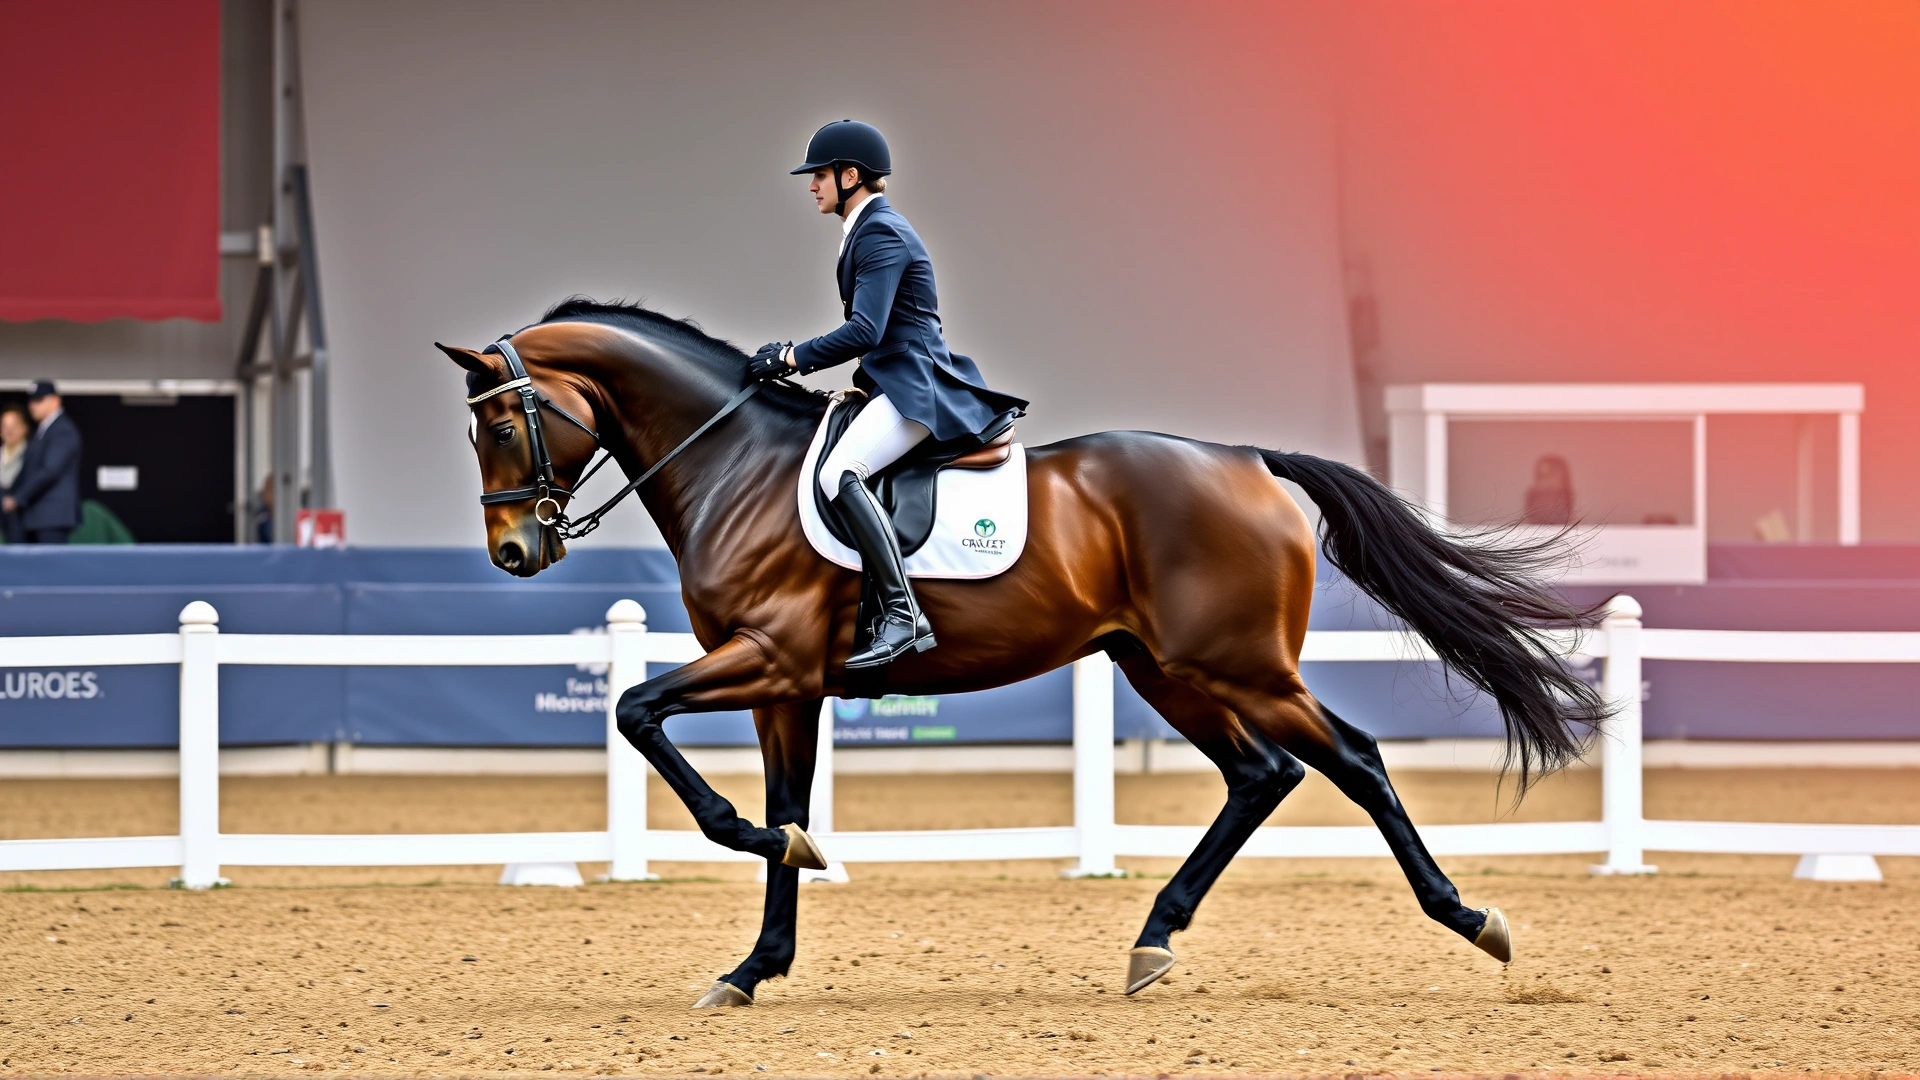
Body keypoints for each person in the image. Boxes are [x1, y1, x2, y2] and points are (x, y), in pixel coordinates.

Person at [746, 120, 1028, 670]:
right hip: (894, 380)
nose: (812, 185)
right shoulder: (865, 229)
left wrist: (791, 357)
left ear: (850, 176)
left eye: (820, 175)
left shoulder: (880, 233)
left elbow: (866, 330)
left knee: (839, 473)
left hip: (916, 387)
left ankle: (903, 614)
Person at [5, 381, 83, 544]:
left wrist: (18, 498)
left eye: (39, 400)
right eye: (31, 401)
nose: (33, 406)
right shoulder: (42, 430)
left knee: (50, 560)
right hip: (36, 516)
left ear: (55, 401)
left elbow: (49, 471)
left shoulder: (62, 430)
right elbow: (28, 469)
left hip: (52, 516)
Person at [0, 406, 29, 542]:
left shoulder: (32, 454)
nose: (9, 430)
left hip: (21, 517)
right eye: (5, 426)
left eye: (14, 426)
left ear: (24, 428)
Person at [1522, 454, 1574, 525]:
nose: (1548, 480)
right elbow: (1530, 516)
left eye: (1552, 473)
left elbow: (1564, 517)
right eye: (1544, 476)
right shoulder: (1533, 493)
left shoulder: (1565, 494)